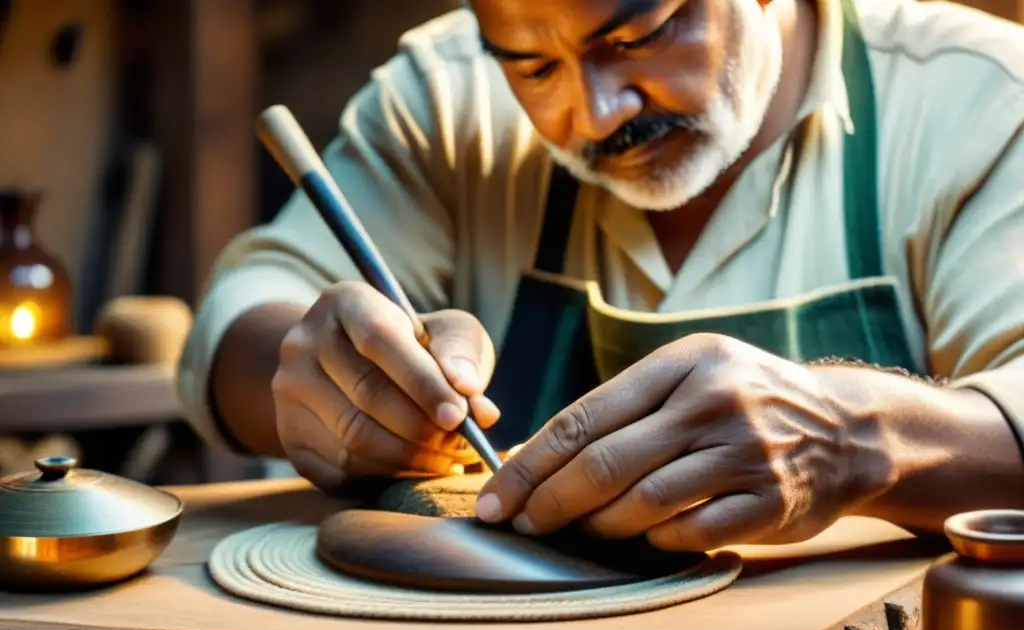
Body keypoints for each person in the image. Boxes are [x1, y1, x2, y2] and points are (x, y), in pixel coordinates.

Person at [177, 0, 1024, 552]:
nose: (595, 113)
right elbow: (238, 321)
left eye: (637, 36)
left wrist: (858, 439)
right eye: (534, 69)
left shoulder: (975, 100)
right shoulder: (445, 101)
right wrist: (321, 377)